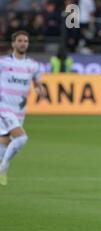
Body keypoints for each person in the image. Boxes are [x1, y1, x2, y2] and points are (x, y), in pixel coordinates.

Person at [0, 30, 46, 186]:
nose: (23, 43)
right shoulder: (3, 62)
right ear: (13, 43)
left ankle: (1, 164)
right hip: (3, 108)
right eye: (19, 40)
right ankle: (4, 168)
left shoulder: (33, 65)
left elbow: (38, 84)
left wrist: (40, 90)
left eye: (25, 41)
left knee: (4, 145)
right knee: (21, 138)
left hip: (19, 111)